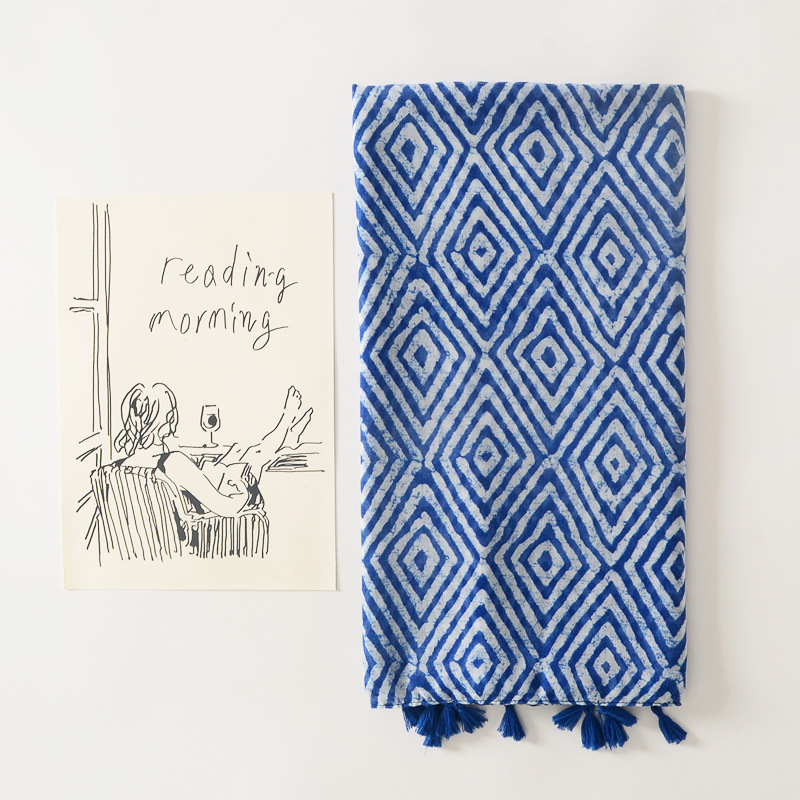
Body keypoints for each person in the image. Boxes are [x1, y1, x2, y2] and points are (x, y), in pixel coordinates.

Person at [113, 382, 313, 517]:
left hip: (200, 491)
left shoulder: (118, 467)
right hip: (209, 510)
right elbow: (227, 507)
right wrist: (241, 488)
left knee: (238, 451)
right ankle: (285, 428)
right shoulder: (172, 462)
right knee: (254, 456)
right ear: (169, 420)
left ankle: (286, 436)